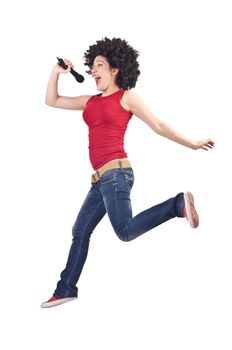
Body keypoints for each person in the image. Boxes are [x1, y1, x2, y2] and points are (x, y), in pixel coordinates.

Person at [41, 37, 214, 308]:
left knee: (124, 231)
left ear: (115, 69)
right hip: (99, 181)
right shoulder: (90, 101)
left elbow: (158, 124)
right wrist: (55, 73)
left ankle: (177, 204)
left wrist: (191, 143)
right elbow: (52, 100)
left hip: (117, 175)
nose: (94, 71)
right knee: (80, 231)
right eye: (91, 67)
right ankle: (65, 289)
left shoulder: (126, 98)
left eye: (100, 65)